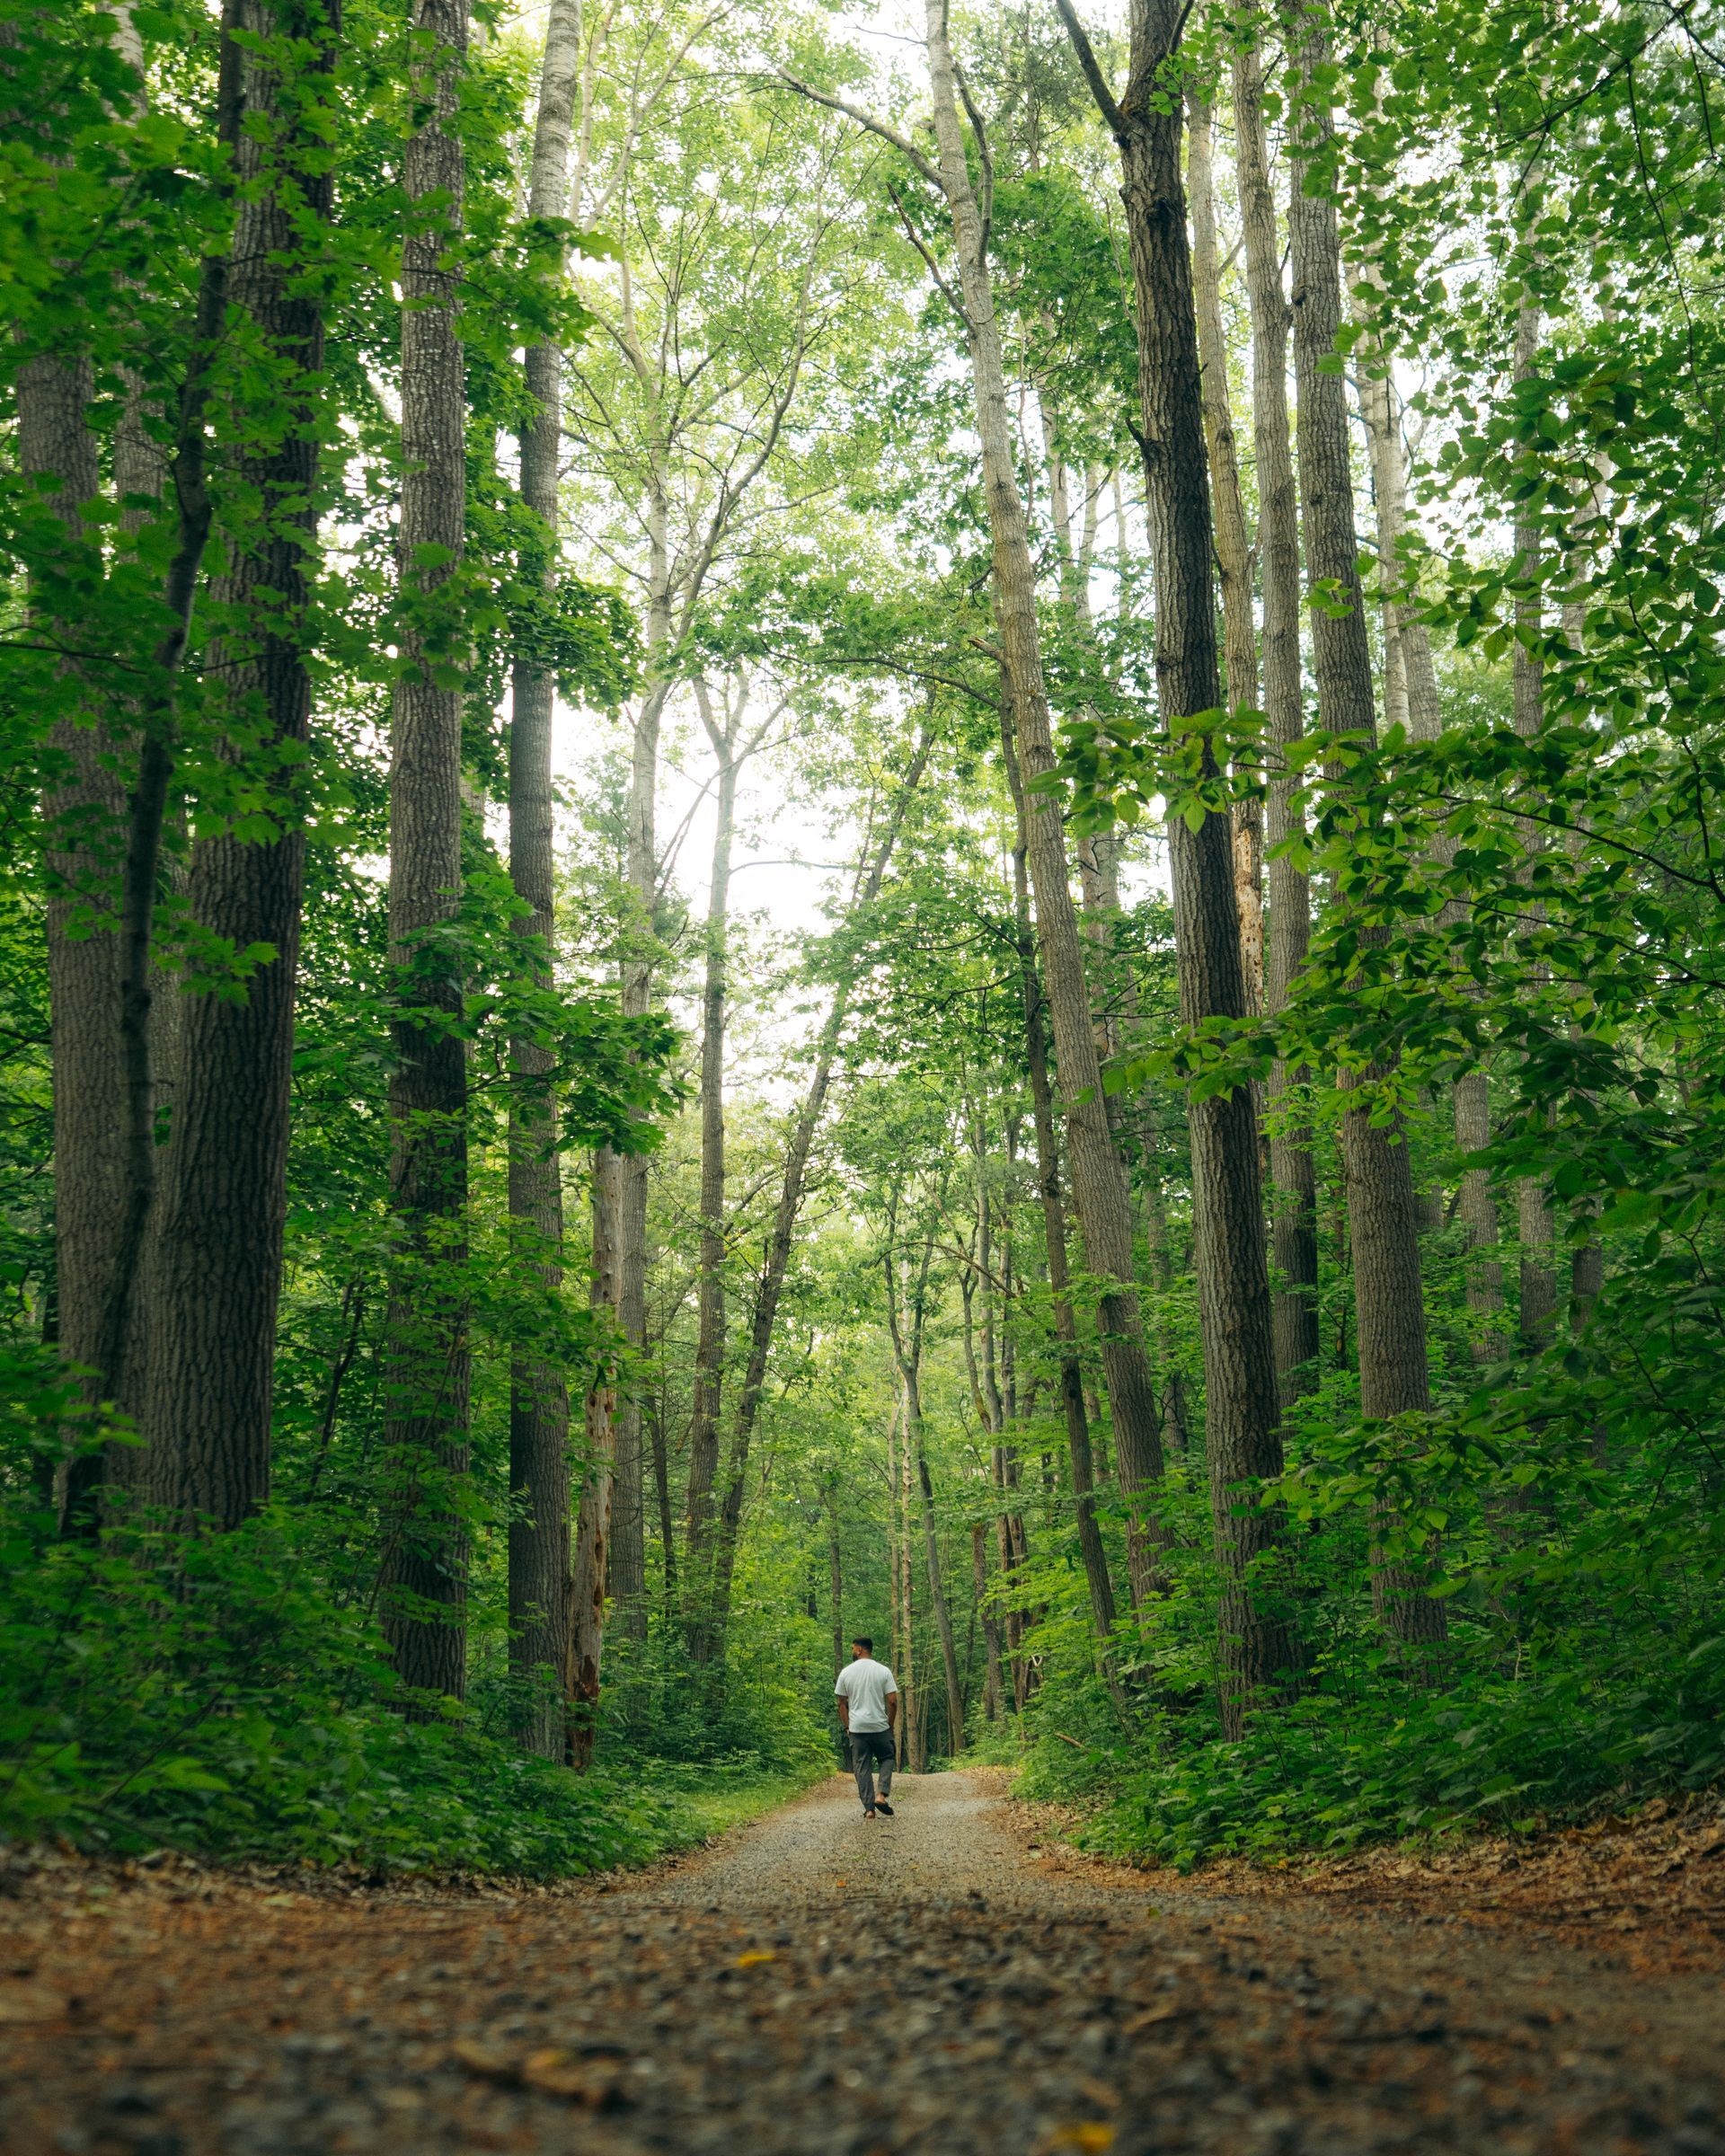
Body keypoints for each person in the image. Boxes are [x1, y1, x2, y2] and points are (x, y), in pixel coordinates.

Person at [835, 1636, 898, 1819]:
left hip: (857, 1729)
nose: (852, 1651)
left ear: (859, 1650)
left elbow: (841, 1703)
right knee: (887, 1757)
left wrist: (848, 1727)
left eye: (853, 1648)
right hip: (879, 1727)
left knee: (861, 1767)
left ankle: (869, 1809)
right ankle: (881, 1795)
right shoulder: (883, 1671)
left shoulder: (846, 1673)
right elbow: (893, 1702)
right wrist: (890, 1725)